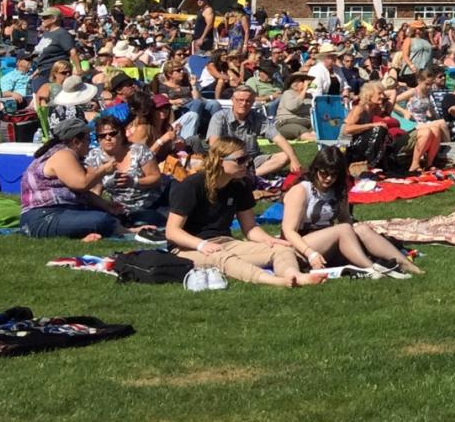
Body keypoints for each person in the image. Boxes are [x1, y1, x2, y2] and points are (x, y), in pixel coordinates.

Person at [166, 138, 326, 287]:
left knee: (282, 249)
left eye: (247, 159)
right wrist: (201, 244)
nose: (246, 165)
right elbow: (172, 231)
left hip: (225, 242)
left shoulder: (239, 186)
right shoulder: (192, 185)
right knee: (222, 258)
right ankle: (277, 281)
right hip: (187, 248)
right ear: (220, 162)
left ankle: (294, 275)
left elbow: (249, 228)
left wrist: (269, 240)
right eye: (240, 160)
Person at [278, 148, 423, 275]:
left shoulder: (338, 190)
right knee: (343, 229)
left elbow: (345, 219)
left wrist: (354, 235)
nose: (329, 178)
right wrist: (311, 253)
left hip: (325, 241)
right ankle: (371, 269)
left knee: (362, 229)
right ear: (315, 169)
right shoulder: (302, 190)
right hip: (299, 246)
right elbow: (289, 231)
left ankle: (405, 264)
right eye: (324, 173)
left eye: (334, 175)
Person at [18, 119, 126, 239]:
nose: (89, 144)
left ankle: (95, 233)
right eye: (87, 140)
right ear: (76, 141)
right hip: (43, 217)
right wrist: (103, 170)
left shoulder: (64, 154)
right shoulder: (63, 155)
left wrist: (105, 205)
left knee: (112, 215)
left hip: (60, 212)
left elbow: (80, 193)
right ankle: (126, 231)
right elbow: (81, 184)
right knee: (101, 220)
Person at [274, 71, 314, 141]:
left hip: (306, 122)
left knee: (318, 129)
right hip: (286, 123)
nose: (307, 83)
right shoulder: (288, 93)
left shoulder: (309, 96)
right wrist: (304, 89)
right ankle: (314, 139)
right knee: (300, 129)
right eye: (303, 81)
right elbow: (292, 107)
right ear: (295, 84)